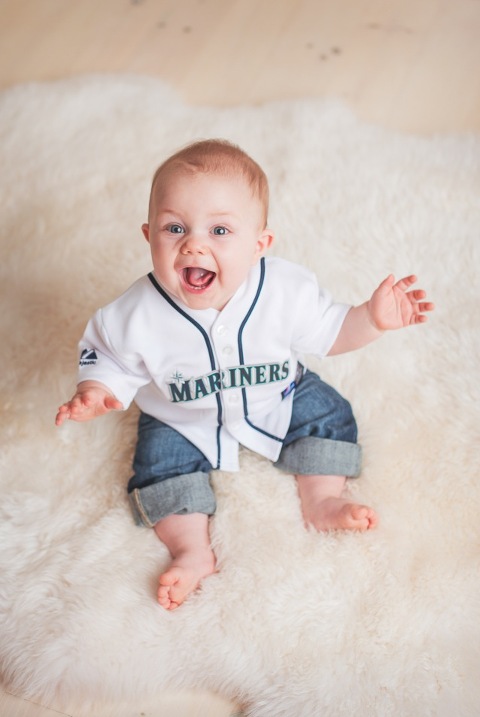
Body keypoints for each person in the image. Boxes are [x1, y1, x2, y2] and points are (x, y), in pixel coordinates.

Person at [56, 139, 434, 611]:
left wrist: (371, 319)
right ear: (149, 235)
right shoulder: (135, 313)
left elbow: (331, 331)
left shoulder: (285, 289)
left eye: (219, 230)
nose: (194, 244)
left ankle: (322, 500)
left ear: (259, 245)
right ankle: (191, 550)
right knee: (159, 469)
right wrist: (95, 390)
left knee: (330, 416)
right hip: (179, 415)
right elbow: (106, 355)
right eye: (175, 228)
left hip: (279, 395)